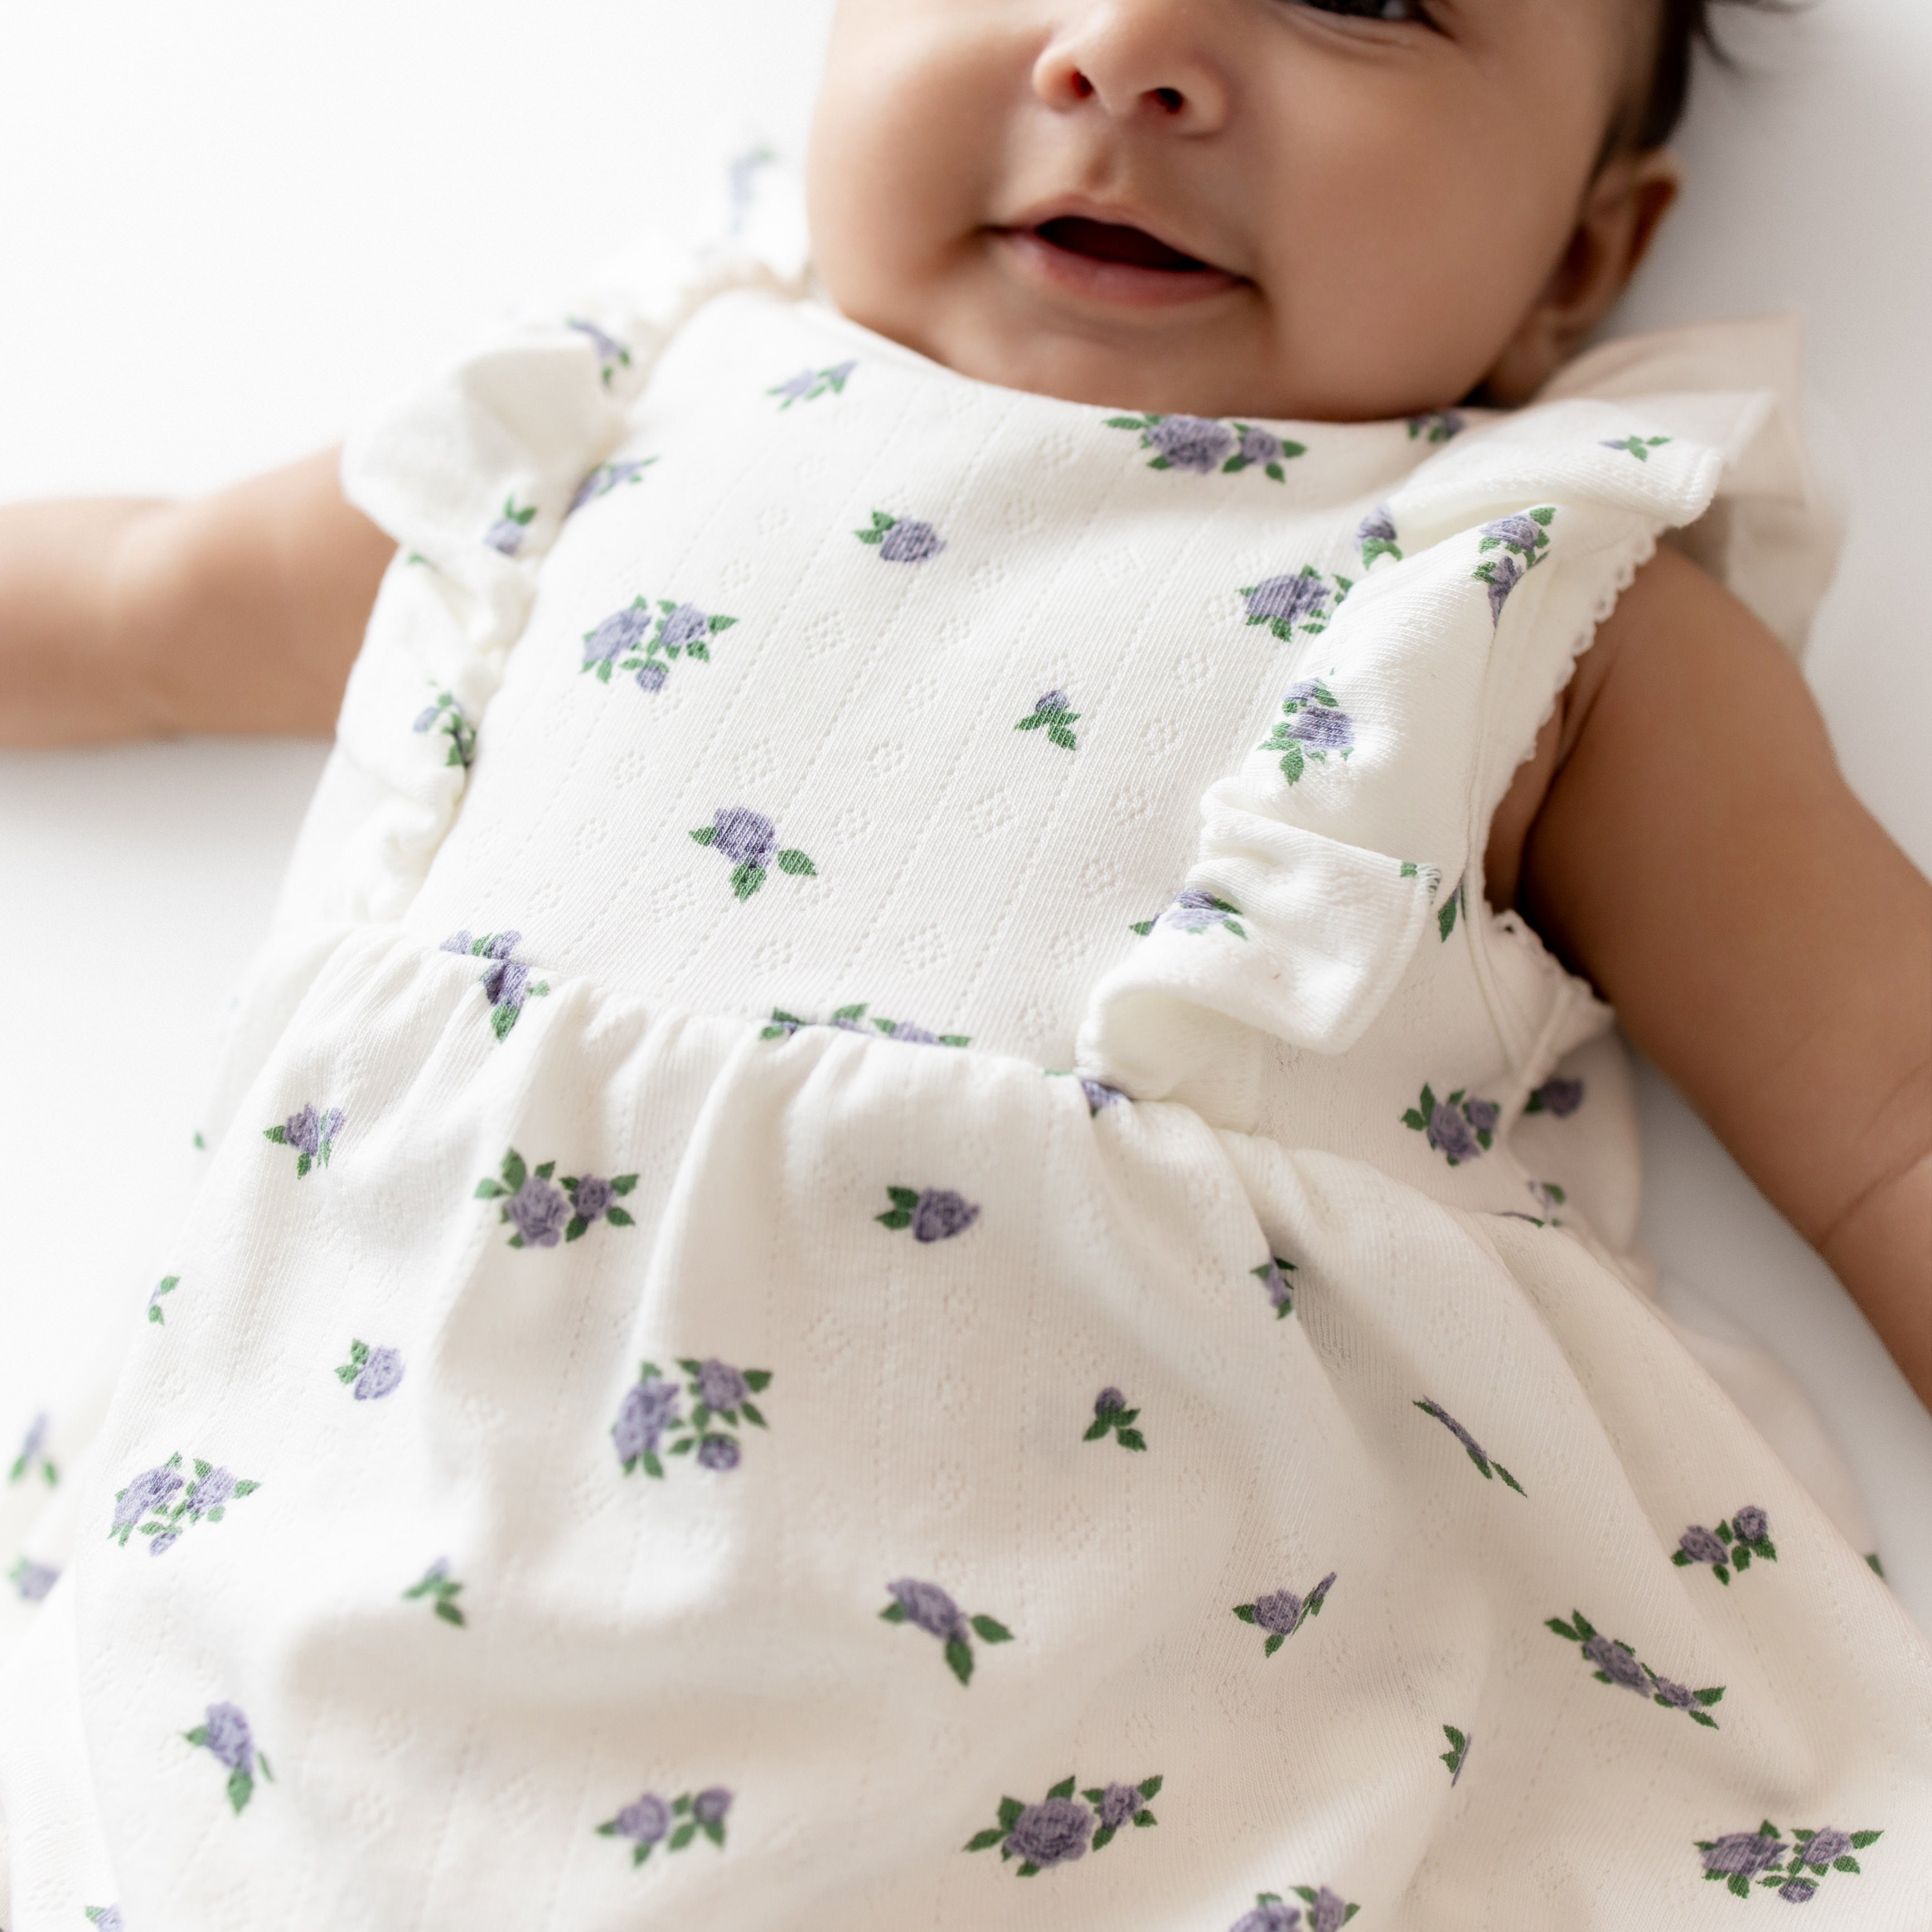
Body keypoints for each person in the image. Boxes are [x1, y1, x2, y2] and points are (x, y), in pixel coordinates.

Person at [1, 0, 1928, 1924]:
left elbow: (1889, 1114)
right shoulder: (617, 415)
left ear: (1579, 254)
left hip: (1111, 1750)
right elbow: (139, 603)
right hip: (320, 1648)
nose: (1126, 53)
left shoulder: (1521, 587)